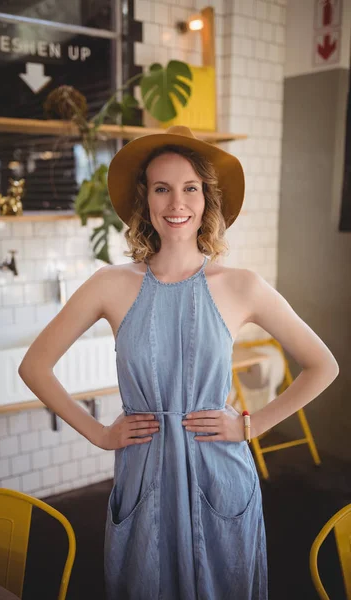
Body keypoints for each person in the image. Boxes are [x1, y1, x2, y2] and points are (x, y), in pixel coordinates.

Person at [18, 125, 339, 600]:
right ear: (144, 199)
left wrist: (252, 425)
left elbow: (322, 365)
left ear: (207, 199)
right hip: (142, 473)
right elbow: (35, 366)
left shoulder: (241, 285)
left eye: (190, 188)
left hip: (220, 473)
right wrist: (101, 433)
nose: (176, 204)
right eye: (162, 189)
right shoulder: (110, 284)